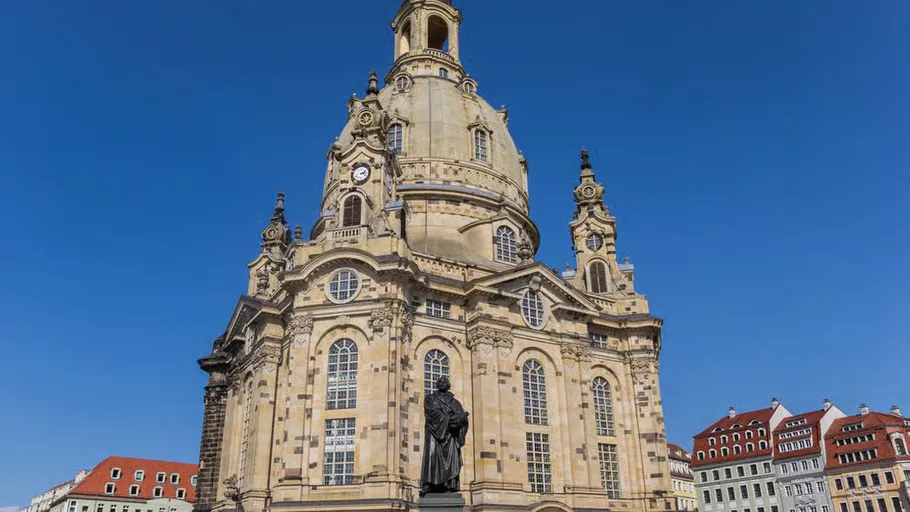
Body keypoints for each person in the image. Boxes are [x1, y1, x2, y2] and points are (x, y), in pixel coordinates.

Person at [420, 376, 469, 495]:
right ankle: (429, 484)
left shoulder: (455, 402)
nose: (442, 383)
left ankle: (449, 484)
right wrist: (452, 419)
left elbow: (462, 417)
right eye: (440, 381)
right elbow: (433, 414)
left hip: (451, 435)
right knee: (432, 456)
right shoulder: (430, 398)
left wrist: (461, 420)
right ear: (436, 384)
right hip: (434, 433)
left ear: (448, 385)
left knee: (451, 458)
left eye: (445, 381)